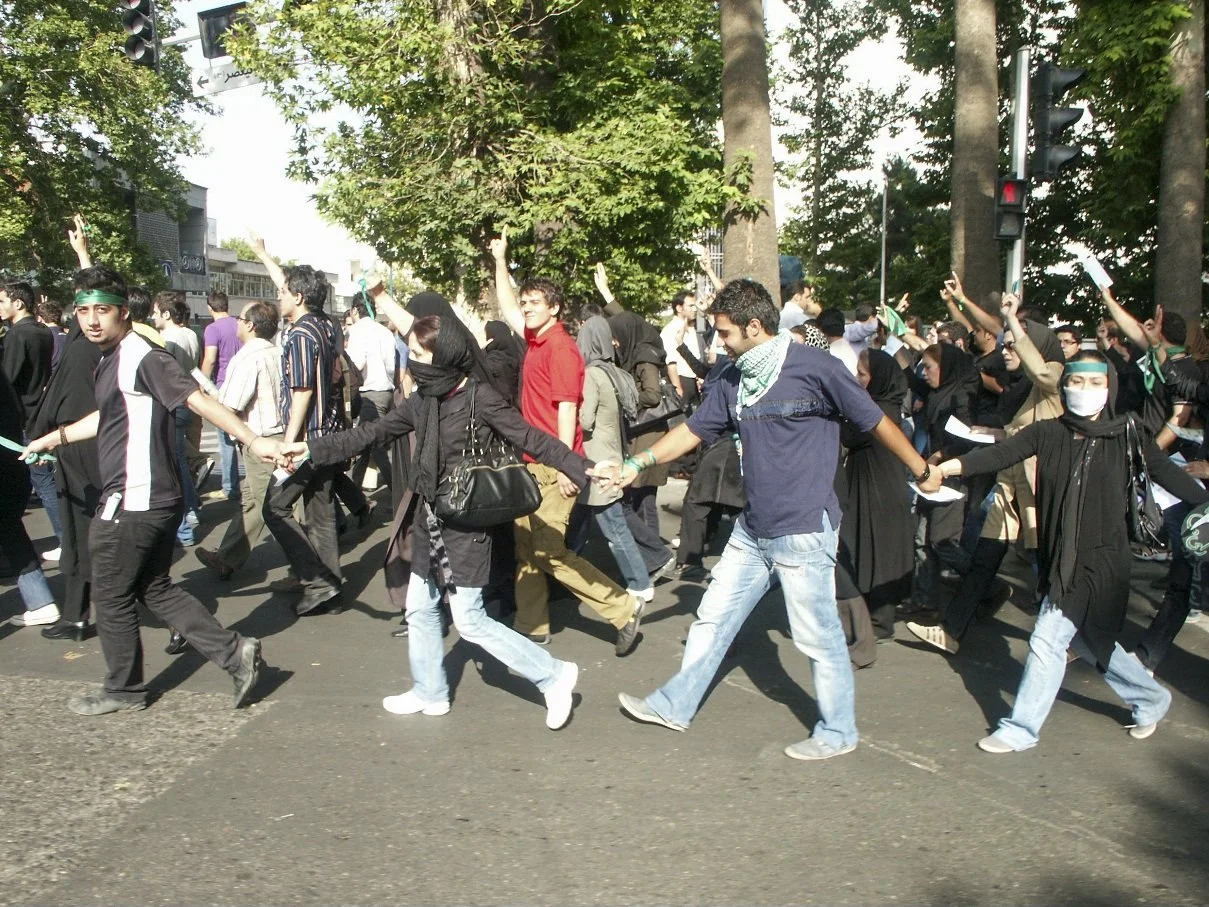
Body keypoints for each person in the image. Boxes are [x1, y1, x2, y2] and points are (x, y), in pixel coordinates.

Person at [614, 279, 933, 761]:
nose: (719, 342)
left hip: (804, 529)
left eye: (725, 333)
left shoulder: (816, 368)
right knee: (712, 618)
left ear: (754, 326)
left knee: (817, 637)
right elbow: (694, 431)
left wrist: (922, 470)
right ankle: (674, 705)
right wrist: (637, 463)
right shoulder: (733, 378)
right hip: (753, 529)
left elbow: (874, 421)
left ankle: (838, 731)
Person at [277, 293, 603, 729]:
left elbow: (533, 439)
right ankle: (430, 692)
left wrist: (584, 468)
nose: (410, 362)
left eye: (417, 354)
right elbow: (371, 434)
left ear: (443, 356)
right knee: (420, 607)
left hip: (468, 523)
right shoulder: (424, 401)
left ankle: (554, 675)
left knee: (470, 621)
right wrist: (310, 450)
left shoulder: (480, 399)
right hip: (430, 517)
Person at [919, 351, 1207, 752]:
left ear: (1109, 387)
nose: (1084, 390)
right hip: (1059, 555)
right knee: (1092, 642)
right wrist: (946, 469)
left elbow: (1170, 475)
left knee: (1047, 638)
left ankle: (1021, 728)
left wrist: (1205, 506)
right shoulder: (1047, 432)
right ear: (1064, 385)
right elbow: (999, 454)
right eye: (1076, 381)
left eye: (1094, 382)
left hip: (1103, 560)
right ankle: (1150, 697)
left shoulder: (1128, 433)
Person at [21, 266, 272, 716]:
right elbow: (110, 414)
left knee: (110, 594)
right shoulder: (113, 356)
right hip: (152, 498)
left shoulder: (142, 355)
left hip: (135, 499)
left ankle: (124, 689)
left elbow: (198, 400)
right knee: (154, 589)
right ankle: (236, 653)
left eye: (102, 310)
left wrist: (254, 441)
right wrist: (53, 438)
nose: (91, 320)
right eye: (83, 311)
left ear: (123, 312)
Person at [490, 229, 645, 653]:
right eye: (526, 303)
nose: (526, 308)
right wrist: (501, 261)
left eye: (534, 303)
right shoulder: (535, 340)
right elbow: (507, 306)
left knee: (547, 550)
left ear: (555, 308)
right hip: (534, 462)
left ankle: (623, 607)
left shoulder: (559, 348)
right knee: (527, 549)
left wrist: (563, 465)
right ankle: (531, 625)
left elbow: (568, 410)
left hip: (552, 463)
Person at [906, 294, 1065, 654]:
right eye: (1005, 345)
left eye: (1013, 345)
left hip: (1043, 487)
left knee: (1048, 563)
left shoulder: (1052, 379)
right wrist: (992, 433)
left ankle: (1070, 638)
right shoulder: (1017, 387)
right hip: (1011, 482)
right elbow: (1016, 435)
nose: (1006, 351)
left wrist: (1010, 321)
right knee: (983, 560)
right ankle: (952, 631)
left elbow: (1042, 375)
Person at [251, 237, 346, 616]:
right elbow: (288, 283)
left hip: (308, 440)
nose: (279, 296)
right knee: (321, 513)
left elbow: (303, 393)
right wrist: (262, 255)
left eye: (284, 292)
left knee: (275, 507)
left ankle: (316, 579)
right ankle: (328, 586)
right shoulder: (325, 323)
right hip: (328, 435)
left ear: (299, 297)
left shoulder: (304, 335)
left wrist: (287, 446)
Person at [196, 301, 284, 582]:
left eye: (240, 318)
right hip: (282, 434)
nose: (236, 322)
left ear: (250, 325)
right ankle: (227, 556)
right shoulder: (279, 352)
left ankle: (311, 566)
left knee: (263, 503)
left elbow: (230, 406)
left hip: (260, 438)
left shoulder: (247, 357)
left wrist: (207, 400)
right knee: (265, 499)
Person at [577, 314, 656, 602]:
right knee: (579, 524)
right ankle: (566, 574)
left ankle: (640, 583)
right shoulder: (616, 373)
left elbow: (585, 421)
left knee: (614, 528)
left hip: (597, 461)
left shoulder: (592, 374)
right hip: (613, 453)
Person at [840, 349, 914, 640]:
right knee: (872, 549)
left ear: (878, 378)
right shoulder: (883, 405)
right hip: (874, 486)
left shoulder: (877, 411)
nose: (857, 378)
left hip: (879, 492)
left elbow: (850, 436)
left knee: (880, 552)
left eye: (862, 374)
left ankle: (880, 622)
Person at [1, 280, 60, 552]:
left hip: (22, 417)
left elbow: (8, 380)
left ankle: (66, 540)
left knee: (42, 483)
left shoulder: (17, 335)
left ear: (18, 303)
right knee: (43, 481)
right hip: (40, 411)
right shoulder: (42, 331)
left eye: (2, 301)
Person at [0, 366, 60, 628]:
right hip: (11, 466)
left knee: (10, 531)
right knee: (11, 530)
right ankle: (40, 601)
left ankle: (41, 602)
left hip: (8, 464)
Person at [343, 298, 396, 490]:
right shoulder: (385, 331)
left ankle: (400, 492)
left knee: (377, 446)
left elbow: (355, 366)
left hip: (370, 395)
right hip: (387, 392)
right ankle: (353, 493)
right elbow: (392, 366)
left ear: (354, 310)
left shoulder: (358, 331)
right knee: (364, 445)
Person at [200, 291, 243, 501]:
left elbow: (210, 359)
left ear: (210, 308)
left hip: (223, 388)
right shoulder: (240, 324)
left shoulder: (212, 329)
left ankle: (230, 487)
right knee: (245, 434)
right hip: (243, 384)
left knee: (226, 440)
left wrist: (201, 385)